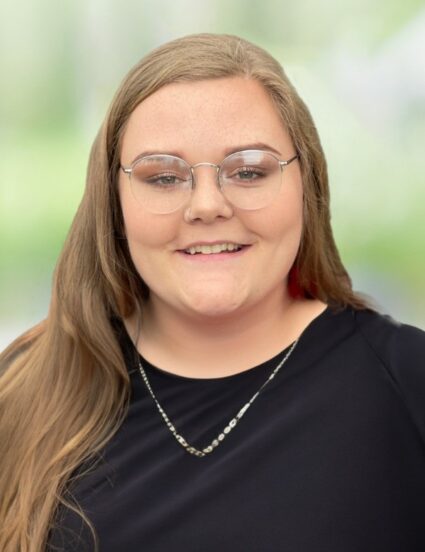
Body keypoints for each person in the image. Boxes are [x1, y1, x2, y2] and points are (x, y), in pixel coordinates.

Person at [0, 33, 424, 552]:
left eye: (248, 171)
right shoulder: (20, 388)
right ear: (113, 201)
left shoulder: (408, 383)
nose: (206, 205)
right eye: (163, 177)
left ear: (306, 185)